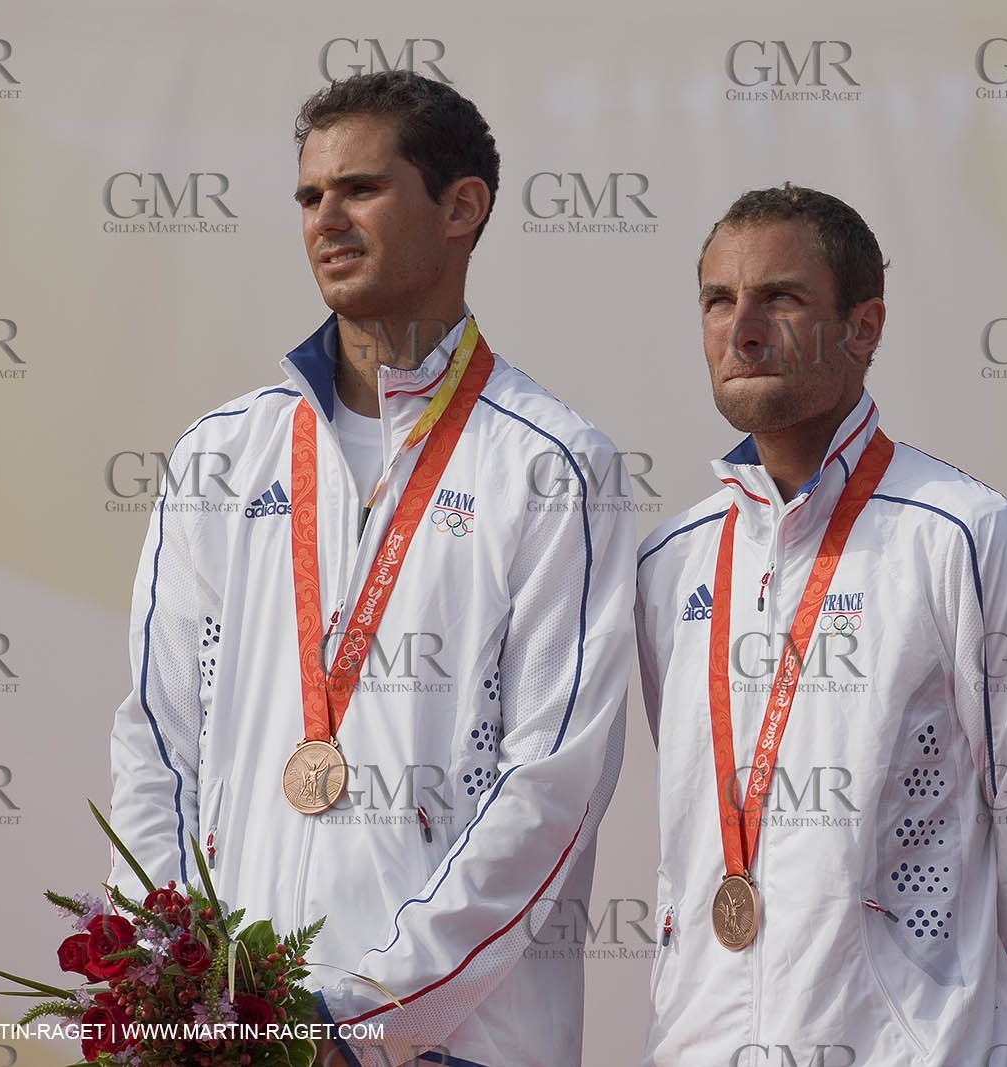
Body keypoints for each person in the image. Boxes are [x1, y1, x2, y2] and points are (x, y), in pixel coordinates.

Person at [108, 70, 634, 1067]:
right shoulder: (222, 452)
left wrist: (365, 1020)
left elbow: (552, 781)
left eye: (359, 188)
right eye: (309, 197)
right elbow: (155, 741)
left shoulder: (550, 462)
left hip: (455, 1043)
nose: (325, 219)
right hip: (240, 1036)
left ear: (461, 207)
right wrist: (166, 982)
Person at [635, 184, 1007, 1066]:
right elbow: (694, 838)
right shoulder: (671, 559)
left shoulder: (966, 534)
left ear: (864, 327)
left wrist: (996, 1040)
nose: (742, 329)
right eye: (717, 300)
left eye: (780, 297)